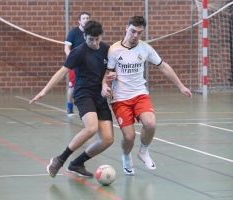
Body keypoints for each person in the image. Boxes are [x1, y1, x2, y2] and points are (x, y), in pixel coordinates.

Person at [102, 16, 193, 175]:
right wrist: (105, 84)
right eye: (132, 31)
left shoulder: (145, 48)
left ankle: (143, 151)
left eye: (139, 32)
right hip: (121, 98)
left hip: (140, 94)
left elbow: (163, 66)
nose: (135, 35)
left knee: (151, 124)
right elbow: (107, 73)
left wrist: (181, 86)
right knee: (129, 137)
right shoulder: (114, 50)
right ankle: (126, 155)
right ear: (126, 28)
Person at [29, 20, 114, 178]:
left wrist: (109, 80)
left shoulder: (107, 49)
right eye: (91, 39)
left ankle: (76, 164)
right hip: (83, 94)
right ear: (84, 36)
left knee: (108, 139)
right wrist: (44, 91)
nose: (95, 43)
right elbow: (62, 72)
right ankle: (59, 159)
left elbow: (111, 70)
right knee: (91, 128)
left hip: (100, 96)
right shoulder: (78, 52)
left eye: (97, 39)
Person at [64, 12, 90, 116]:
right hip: (75, 64)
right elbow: (66, 47)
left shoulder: (91, 33)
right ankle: (69, 107)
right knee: (73, 87)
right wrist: (72, 58)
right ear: (79, 21)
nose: (85, 20)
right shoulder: (73, 33)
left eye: (87, 18)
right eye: (83, 18)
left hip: (88, 64)